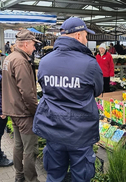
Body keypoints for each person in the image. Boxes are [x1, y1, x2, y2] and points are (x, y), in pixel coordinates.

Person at [33, 17, 103, 182]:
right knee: (81, 177)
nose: (87, 40)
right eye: (86, 35)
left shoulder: (45, 62)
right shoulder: (89, 64)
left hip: (53, 129)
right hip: (80, 132)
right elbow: (98, 91)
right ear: (78, 36)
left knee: (54, 176)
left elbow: (45, 89)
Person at [2, 29, 41, 182]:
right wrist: (35, 111)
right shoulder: (21, 61)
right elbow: (27, 92)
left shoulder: (10, 58)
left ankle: (19, 176)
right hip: (24, 112)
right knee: (30, 149)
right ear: (25, 44)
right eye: (33, 45)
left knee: (18, 145)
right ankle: (32, 179)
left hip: (14, 110)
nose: (34, 48)